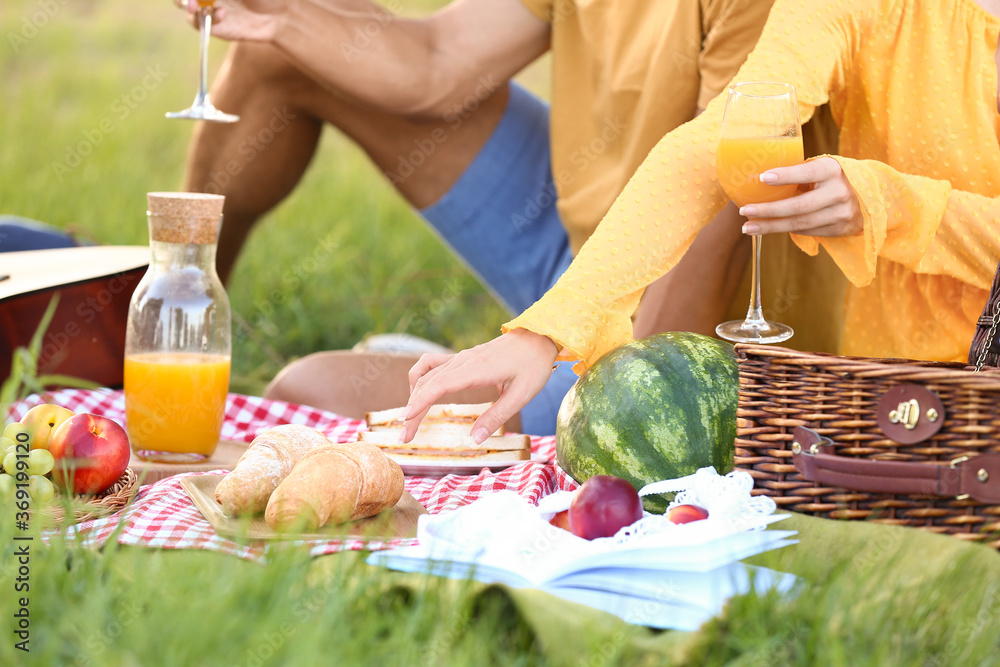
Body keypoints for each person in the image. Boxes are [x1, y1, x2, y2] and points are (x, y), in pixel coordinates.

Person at [177, 0, 840, 434]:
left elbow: (713, 208)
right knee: (279, 46)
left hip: (682, 310)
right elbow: (437, 63)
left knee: (307, 398)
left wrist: (615, 406)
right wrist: (280, 14)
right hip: (577, 244)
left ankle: (479, 371)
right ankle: (175, 314)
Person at [400, 0, 1000, 442]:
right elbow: (711, 148)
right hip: (910, 407)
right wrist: (549, 327)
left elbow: (898, 206)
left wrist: (891, 203)